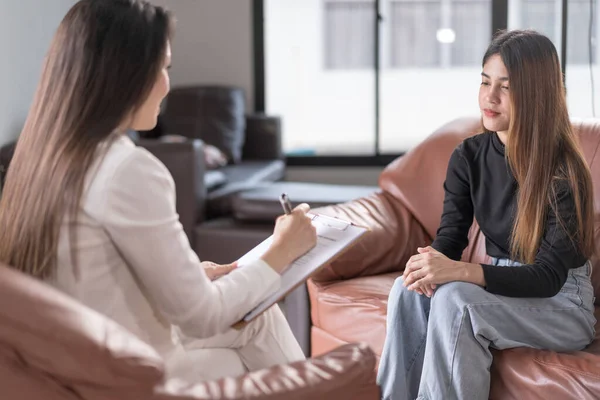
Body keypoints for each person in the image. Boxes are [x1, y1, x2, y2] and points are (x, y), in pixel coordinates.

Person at [0, 0, 317, 382]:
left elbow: (90, 278)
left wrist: (189, 276)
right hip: (125, 372)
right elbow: (202, 317)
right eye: (164, 68)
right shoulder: (126, 168)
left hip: (77, 358)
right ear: (128, 74)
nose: (167, 84)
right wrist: (282, 251)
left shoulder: (38, 158)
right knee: (251, 338)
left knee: (257, 319)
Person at [377, 29, 597, 400]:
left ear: (535, 94)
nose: (489, 97)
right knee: (408, 289)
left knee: (457, 302)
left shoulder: (565, 172)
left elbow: (546, 278)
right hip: (501, 286)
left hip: (562, 302)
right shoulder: (469, 156)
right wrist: (429, 265)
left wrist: (462, 272)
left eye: (505, 87)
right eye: (484, 81)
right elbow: (450, 236)